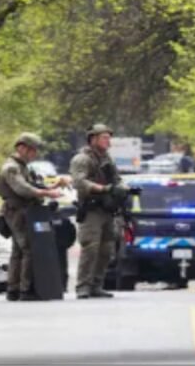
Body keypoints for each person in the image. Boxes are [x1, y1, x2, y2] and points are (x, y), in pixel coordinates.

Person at [0, 133, 64, 301]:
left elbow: (34, 185)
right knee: (28, 248)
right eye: (32, 150)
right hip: (17, 211)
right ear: (21, 148)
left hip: (25, 211)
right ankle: (25, 289)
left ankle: (14, 288)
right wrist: (48, 193)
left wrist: (54, 185)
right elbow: (23, 189)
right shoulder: (11, 168)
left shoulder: (23, 167)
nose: (35, 154)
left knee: (18, 250)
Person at [71, 123, 130, 299]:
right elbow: (79, 182)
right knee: (90, 248)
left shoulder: (107, 159)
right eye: (104, 138)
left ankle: (97, 285)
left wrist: (122, 188)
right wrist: (103, 189)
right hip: (91, 209)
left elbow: (116, 179)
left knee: (107, 250)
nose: (108, 141)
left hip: (107, 210)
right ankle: (83, 286)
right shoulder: (82, 159)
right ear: (93, 139)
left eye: (108, 138)